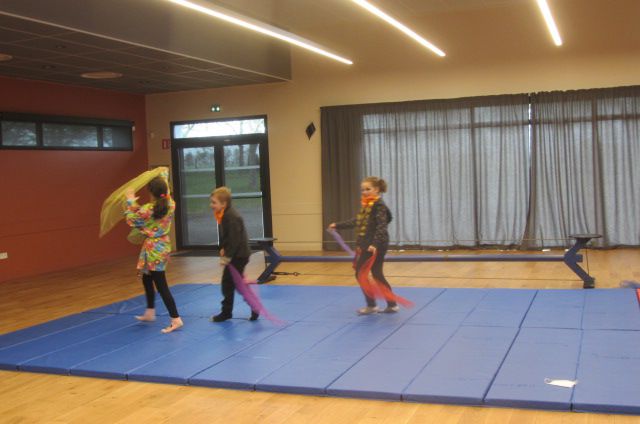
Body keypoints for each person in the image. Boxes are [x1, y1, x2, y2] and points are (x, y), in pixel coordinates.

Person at [329, 176, 399, 315]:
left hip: (374, 245)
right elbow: (357, 221)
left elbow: (381, 226)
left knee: (361, 273)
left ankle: (372, 305)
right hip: (369, 243)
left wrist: (374, 244)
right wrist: (338, 225)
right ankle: (391, 305)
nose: (365, 192)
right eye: (363, 190)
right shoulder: (368, 205)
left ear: (377, 189)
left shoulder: (378, 206)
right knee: (376, 274)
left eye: (368, 189)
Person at [124, 173, 183, 333]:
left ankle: (175, 318)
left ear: (151, 193)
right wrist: (162, 175)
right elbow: (146, 213)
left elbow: (131, 219)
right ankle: (150, 311)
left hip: (152, 249)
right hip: (162, 246)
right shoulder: (170, 204)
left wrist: (130, 200)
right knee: (146, 277)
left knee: (161, 284)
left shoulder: (148, 209)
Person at [209, 186, 258, 322]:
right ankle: (253, 307)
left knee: (228, 283)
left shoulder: (231, 217)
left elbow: (235, 239)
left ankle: (227, 312)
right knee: (235, 284)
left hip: (239, 255)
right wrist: (223, 247)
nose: (211, 205)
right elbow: (228, 237)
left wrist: (226, 257)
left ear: (223, 204)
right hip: (237, 254)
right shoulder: (225, 214)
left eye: (214, 202)